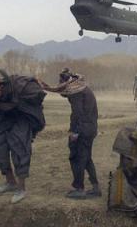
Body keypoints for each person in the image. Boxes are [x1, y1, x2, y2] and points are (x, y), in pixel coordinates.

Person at [0, 68, 46, 204]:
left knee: (20, 150)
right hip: (5, 120)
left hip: (21, 119)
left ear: (2, 85)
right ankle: (10, 183)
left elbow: (38, 95)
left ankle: (21, 188)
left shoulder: (18, 86)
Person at [40, 68, 101, 199]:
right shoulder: (83, 89)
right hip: (90, 128)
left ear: (66, 83)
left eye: (61, 83)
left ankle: (79, 188)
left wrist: (75, 132)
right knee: (86, 158)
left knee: (77, 158)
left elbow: (78, 114)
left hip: (82, 130)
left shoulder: (76, 93)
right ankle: (95, 187)